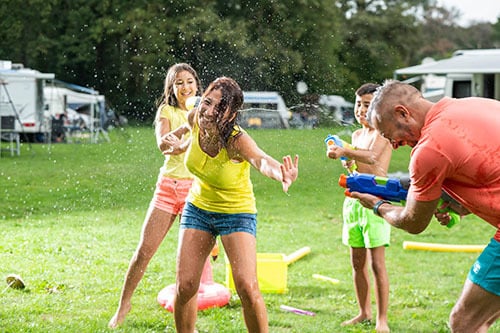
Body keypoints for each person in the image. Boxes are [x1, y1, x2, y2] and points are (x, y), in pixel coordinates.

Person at [352, 79, 500, 333]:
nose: (395, 145)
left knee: (466, 322)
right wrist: (461, 205)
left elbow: (414, 222)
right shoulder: (474, 105)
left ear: (403, 113)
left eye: (390, 135)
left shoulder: (430, 149)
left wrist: (379, 206)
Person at [161, 76, 299, 333]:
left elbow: (260, 160)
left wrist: (280, 173)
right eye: (208, 102)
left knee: (247, 287)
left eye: (220, 108)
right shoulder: (195, 117)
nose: (210, 111)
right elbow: (186, 131)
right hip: (199, 207)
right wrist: (179, 143)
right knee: (186, 286)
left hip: (236, 212)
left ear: (232, 113)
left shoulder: (237, 140)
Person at [108, 63, 202, 328]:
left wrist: (194, 126)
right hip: (168, 188)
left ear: (197, 83)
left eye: (190, 81)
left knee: (189, 267)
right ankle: (124, 305)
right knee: (144, 251)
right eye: (179, 83)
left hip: (195, 192)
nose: (186, 87)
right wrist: (182, 132)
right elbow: (163, 144)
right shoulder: (167, 110)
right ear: (171, 88)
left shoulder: (202, 110)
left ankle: (188, 326)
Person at [327, 83, 392, 333]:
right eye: (358, 104)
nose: (361, 109)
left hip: (376, 203)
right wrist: (346, 159)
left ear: (378, 108)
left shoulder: (382, 134)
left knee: (377, 264)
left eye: (367, 105)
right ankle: (364, 312)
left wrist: (346, 150)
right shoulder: (356, 136)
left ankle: (382, 319)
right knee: (357, 263)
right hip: (353, 202)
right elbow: (357, 164)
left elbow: (373, 157)